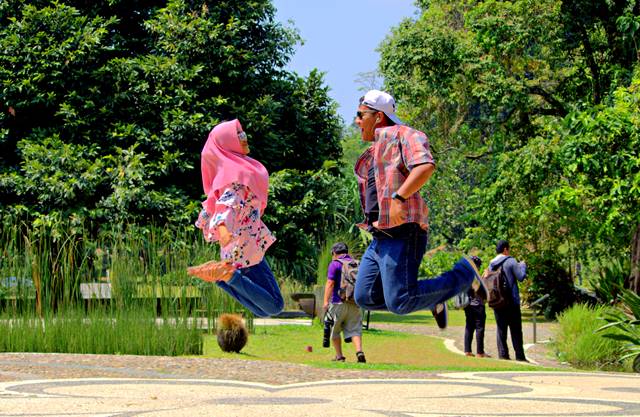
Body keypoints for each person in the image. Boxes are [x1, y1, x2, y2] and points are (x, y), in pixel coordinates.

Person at [352, 90, 487, 329]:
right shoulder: (373, 152)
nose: (357, 121)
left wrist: (399, 197)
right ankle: (434, 299)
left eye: (361, 115)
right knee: (364, 297)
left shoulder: (407, 135)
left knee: (400, 301)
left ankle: (465, 274)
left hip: (404, 232)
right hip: (379, 237)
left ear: (379, 117)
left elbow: (425, 166)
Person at [187, 119, 284, 318]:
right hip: (245, 250)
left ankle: (221, 276)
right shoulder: (238, 176)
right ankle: (226, 275)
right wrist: (222, 227)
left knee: (262, 310)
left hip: (240, 250)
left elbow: (211, 206)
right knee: (274, 305)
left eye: (242, 133)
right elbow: (226, 205)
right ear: (226, 142)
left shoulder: (226, 174)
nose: (244, 137)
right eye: (237, 135)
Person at [322, 242, 366, 363]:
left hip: (338, 302)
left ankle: (339, 356)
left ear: (334, 253)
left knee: (334, 330)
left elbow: (330, 284)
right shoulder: (357, 264)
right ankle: (359, 351)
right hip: (354, 303)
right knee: (355, 329)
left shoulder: (334, 264)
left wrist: (325, 301)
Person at [489, 240, 527, 361]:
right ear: (505, 249)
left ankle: (503, 355)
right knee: (516, 330)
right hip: (511, 301)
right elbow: (520, 277)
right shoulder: (511, 261)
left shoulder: (492, 264)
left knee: (501, 329)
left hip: (497, 301)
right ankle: (520, 356)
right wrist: (523, 266)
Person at [463, 272, 490, 357]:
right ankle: (480, 352)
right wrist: (485, 278)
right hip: (477, 306)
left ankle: (467, 351)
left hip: (468, 306)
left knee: (469, 327)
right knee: (479, 328)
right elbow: (480, 290)